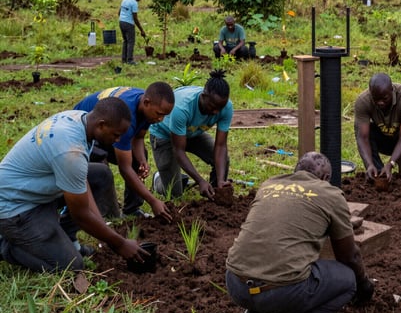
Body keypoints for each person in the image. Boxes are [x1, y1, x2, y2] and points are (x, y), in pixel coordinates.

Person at [225, 151, 374, 313]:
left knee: (271, 280)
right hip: (282, 292)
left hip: (236, 285)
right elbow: (349, 256)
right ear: (325, 179)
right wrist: (365, 286)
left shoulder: (269, 184)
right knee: (348, 281)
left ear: (295, 171)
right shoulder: (330, 194)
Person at [0, 100, 146, 272]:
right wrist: (119, 243)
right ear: (101, 125)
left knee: (100, 175)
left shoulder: (79, 120)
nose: (118, 140)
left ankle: (66, 236)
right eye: (115, 134)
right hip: (15, 207)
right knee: (71, 265)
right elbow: (81, 214)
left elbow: (81, 181)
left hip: (35, 190)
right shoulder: (71, 152)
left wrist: (105, 229)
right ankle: (6, 246)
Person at [74, 83, 176, 221]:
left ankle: (132, 209)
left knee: (139, 156)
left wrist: (141, 160)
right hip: (87, 131)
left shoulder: (148, 107)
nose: (160, 119)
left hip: (110, 128)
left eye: (164, 115)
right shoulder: (127, 117)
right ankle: (107, 215)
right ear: (146, 103)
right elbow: (125, 168)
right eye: (159, 114)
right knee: (101, 167)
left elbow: (139, 137)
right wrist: (153, 201)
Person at [149, 70, 233, 199]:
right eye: (212, 107)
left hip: (192, 132)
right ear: (203, 96)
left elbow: (221, 146)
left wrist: (221, 180)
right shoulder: (182, 108)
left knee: (223, 160)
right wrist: (200, 181)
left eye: (220, 108)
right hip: (164, 134)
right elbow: (179, 150)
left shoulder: (226, 107)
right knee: (174, 193)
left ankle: (215, 191)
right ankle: (158, 180)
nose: (216, 112)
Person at [119, 0, 148, 65]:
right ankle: (130, 60)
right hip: (129, 24)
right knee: (131, 42)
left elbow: (119, 12)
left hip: (121, 22)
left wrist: (123, 18)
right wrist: (141, 30)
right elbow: (135, 18)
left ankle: (124, 59)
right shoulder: (134, 3)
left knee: (125, 41)